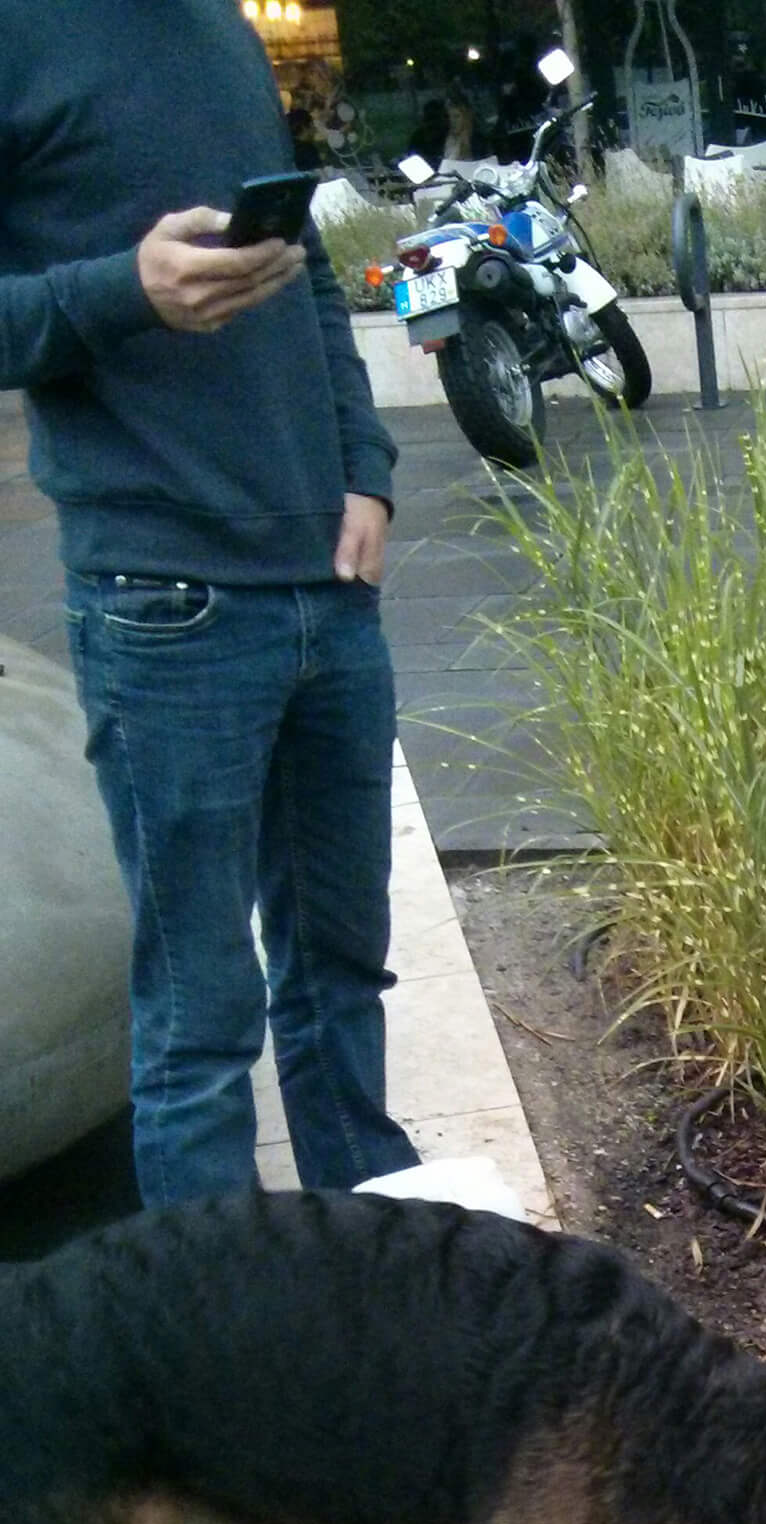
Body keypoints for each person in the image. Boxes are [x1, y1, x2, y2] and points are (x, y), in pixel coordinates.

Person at [0, 0, 420, 1205]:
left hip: (326, 589)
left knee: (343, 977)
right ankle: (222, 1367)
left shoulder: (223, 30)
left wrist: (365, 469)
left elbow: (315, 282)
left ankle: (373, 1286)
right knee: (198, 1029)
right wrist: (127, 288)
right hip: (162, 599)